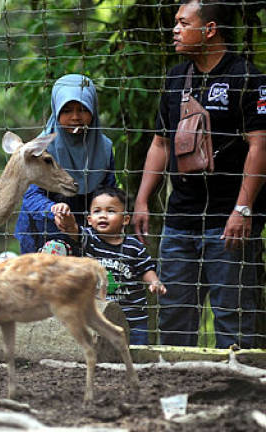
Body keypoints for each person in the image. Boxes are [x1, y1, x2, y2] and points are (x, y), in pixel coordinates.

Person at [132, 0, 266, 349]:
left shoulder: (249, 78)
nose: (174, 30)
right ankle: (179, 392)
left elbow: (259, 147)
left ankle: (235, 392)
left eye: (182, 23)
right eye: (174, 23)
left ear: (209, 29)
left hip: (228, 222)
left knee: (232, 315)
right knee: (174, 312)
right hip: (180, 220)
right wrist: (143, 200)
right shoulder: (176, 78)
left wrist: (243, 209)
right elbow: (160, 144)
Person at [14, 74, 116, 256]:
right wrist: (54, 210)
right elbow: (31, 196)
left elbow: (109, 191)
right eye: (67, 111)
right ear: (56, 110)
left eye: (83, 109)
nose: (75, 117)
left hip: (87, 231)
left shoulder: (105, 148)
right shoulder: (41, 148)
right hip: (43, 229)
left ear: (93, 109)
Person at [54, 186, 167, 345]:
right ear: (89, 219)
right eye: (97, 211)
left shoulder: (134, 247)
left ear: (126, 219)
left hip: (133, 320)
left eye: (111, 211)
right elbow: (72, 228)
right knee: (101, 355)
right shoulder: (89, 240)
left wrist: (154, 282)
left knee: (137, 354)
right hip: (99, 317)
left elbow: (146, 269)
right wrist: (65, 214)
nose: (103, 216)